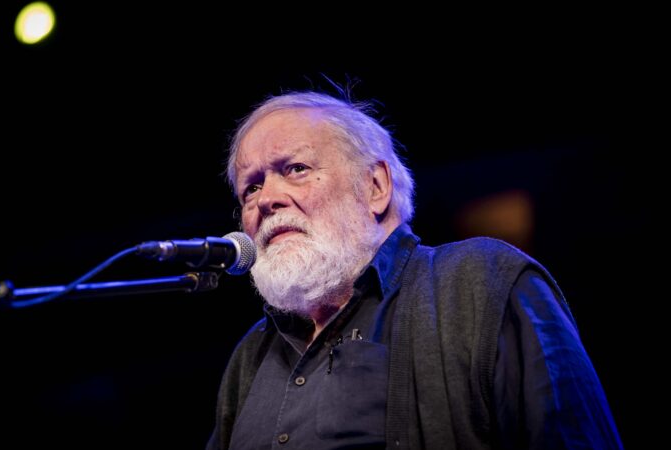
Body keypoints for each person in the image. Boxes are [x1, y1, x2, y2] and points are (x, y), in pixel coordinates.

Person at [206, 91, 623, 450]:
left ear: (375, 187)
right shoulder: (251, 356)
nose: (266, 200)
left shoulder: (484, 282)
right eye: (251, 187)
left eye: (295, 169)